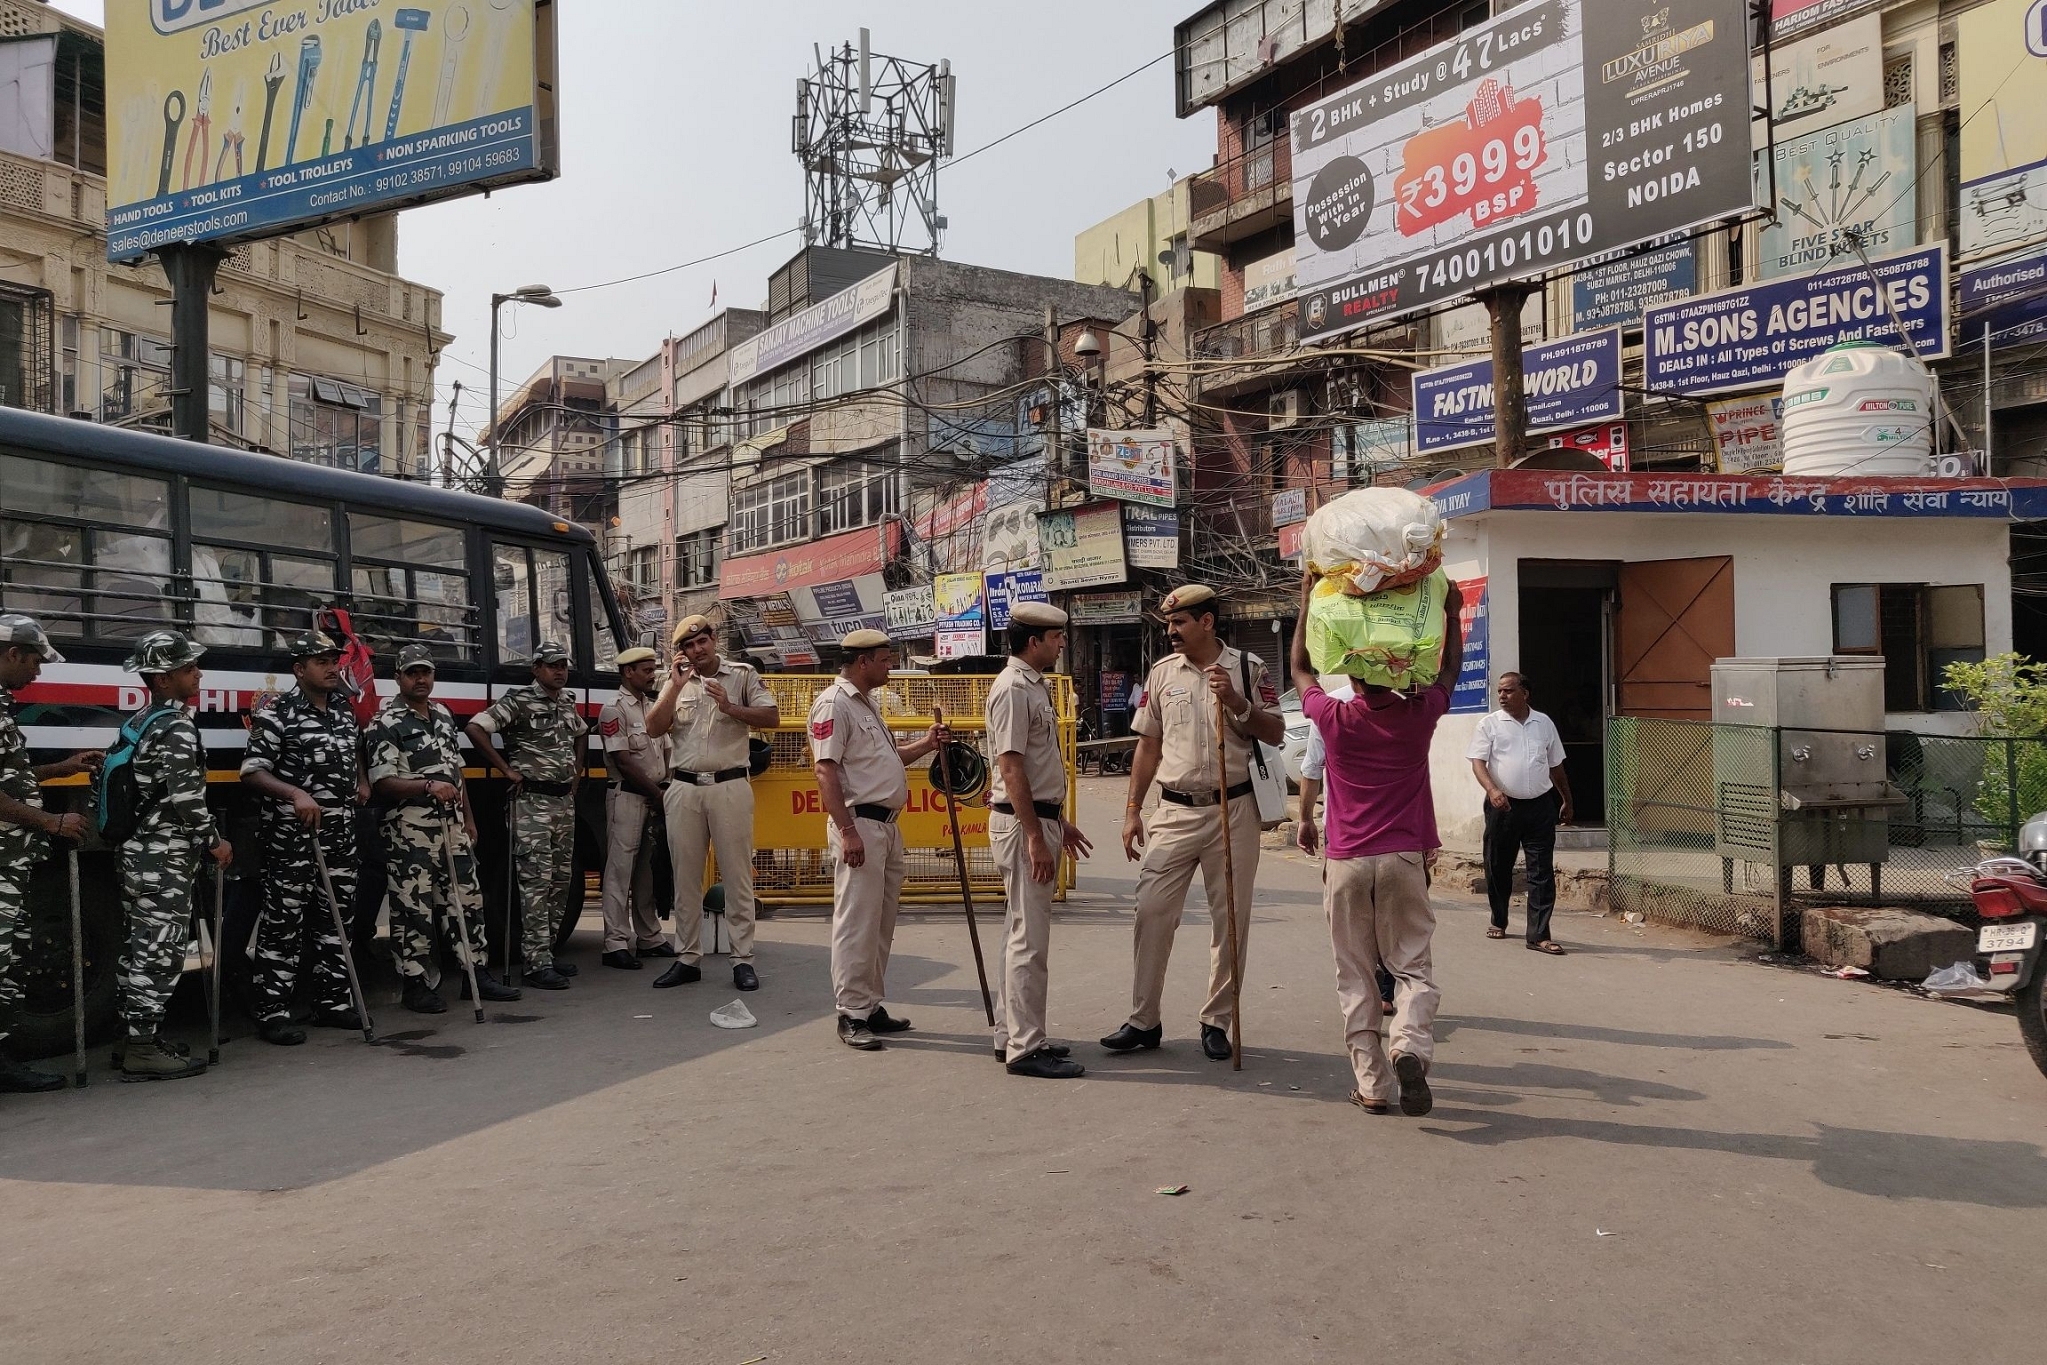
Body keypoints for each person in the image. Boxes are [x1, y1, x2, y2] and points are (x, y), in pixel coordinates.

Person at [1289, 570, 1463, 1118]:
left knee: (1356, 971)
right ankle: (1409, 1045)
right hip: (1402, 857)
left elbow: (1300, 669)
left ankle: (1372, 1084)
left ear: (1354, 678)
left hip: (1346, 860)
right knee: (1411, 965)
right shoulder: (1418, 716)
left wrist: (1307, 605)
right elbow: (1450, 670)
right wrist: (1453, 612)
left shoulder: (1334, 717)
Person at [1106, 584, 1284, 1062]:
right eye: (1169, 623)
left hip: (1234, 809)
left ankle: (1216, 1020)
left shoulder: (1248, 668)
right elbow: (1147, 745)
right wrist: (1131, 811)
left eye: (1179, 622)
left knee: (1231, 921)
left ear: (1206, 622)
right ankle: (1144, 1019)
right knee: (1151, 910)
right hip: (1174, 812)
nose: (1170, 632)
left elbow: (1277, 731)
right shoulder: (1163, 673)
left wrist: (1239, 705)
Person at [809, 628, 947, 1051]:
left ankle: (869, 1004)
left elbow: (886, 758)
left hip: (885, 825)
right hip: (861, 825)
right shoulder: (834, 703)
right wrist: (847, 831)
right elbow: (824, 771)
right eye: (885, 660)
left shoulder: (865, 705)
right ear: (862, 661)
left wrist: (925, 744)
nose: (890, 666)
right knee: (857, 922)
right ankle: (850, 1012)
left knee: (882, 922)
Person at [366, 644, 521, 1013]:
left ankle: (475, 974)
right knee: (413, 909)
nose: (421, 679)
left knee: (467, 901)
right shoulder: (385, 723)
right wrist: (426, 786)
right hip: (409, 831)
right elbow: (382, 783)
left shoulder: (442, 716)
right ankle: (416, 983)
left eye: (426, 672)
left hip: (451, 828)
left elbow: (457, 773)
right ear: (398, 678)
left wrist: (468, 819)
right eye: (412, 672)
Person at [239, 632, 369, 1045]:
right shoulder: (277, 714)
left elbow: (356, 752)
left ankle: (332, 1003)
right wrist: (295, 793)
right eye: (321, 661)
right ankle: (273, 1011)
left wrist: (362, 782)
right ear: (299, 670)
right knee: (283, 925)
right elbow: (252, 771)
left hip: (340, 836)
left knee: (337, 920)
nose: (332, 667)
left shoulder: (344, 711)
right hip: (292, 839)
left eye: (334, 660)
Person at [117, 629, 232, 1082]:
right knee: (160, 950)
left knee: (137, 946)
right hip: (163, 854)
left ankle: (134, 1038)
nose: (197, 672)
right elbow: (187, 800)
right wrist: (215, 841)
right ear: (163, 679)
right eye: (188, 668)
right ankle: (143, 1049)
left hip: (138, 851)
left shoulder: (140, 720)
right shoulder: (177, 725)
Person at [644, 615, 779, 991]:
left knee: (736, 875)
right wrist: (673, 687)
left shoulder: (742, 675)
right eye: (688, 646)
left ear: (713, 639)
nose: (697, 650)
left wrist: (732, 707)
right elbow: (653, 728)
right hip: (685, 787)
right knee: (684, 876)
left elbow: (773, 717)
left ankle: (742, 959)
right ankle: (687, 957)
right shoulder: (674, 682)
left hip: (729, 785)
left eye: (701, 642)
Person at [986, 602, 1091, 1079]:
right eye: (1055, 637)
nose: (1061, 643)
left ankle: (1012, 1033)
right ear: (1034, 642)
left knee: (1018, 933)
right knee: (1029, 940)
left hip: (1036, 818)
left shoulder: (1032, 684)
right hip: (1020, 823)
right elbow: (1010, 767)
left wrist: (1055, 823)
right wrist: (1035, 834)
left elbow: (1036, 766)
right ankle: (1026, 1047)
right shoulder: (1012, 688)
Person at [0, 615, 99, 1093]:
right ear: (13, 654)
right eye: (35, 662)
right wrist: (49, 821)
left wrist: (62, 767)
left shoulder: (3, 705)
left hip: (10, 859)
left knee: (9, 957)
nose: (38, 674)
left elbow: (11, 780)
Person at [467, 640, 588, 989]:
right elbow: (476, 727)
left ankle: (546, 953)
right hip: (532, 802)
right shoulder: (518, 701)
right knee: (535, 883)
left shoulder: (567, 701)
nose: (560, 671)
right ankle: (535, 965)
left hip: (563, 802)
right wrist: (507, 769)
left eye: (563, 665)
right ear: (536, 669)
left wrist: (576, 773)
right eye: (552, 665)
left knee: (560, 882)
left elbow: (581, 733)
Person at [1295, 678, 1397, 1019]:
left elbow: (1311, 770)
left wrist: (1306, 819)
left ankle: (1372, 991)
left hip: (1349, 839)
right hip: (1389, 836)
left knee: (1352, 919)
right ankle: (1380, 989)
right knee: (1384, 915)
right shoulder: (1401, 703)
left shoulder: (1331, 707)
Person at [1468, 672, 1573, 955]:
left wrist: (1566, 799)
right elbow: (1478, 762)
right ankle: (1499, 918)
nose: (1502, 696)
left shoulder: (1544, 724)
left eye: (1508, 691)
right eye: (1499, 691)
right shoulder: (1489, 724)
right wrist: (1492, 790)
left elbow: (1556, 766)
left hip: (1540, 806)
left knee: (1541, 871)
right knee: (1498, 866)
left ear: (1525, 693)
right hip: (1504, 807)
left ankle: (1539, 935)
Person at [595, 646, 673, 971]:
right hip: (627, 796)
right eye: (645, 670)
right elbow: (623, 761)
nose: (651, 675)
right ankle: (615, 943)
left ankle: (649, 936)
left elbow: (666, 752)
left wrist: (664, 789)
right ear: (628, 673)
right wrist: (657, 793)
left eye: (652, 669)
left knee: (646, 873)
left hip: (652, 796)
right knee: (619, 872)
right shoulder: (614, 709)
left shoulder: (652, 707)